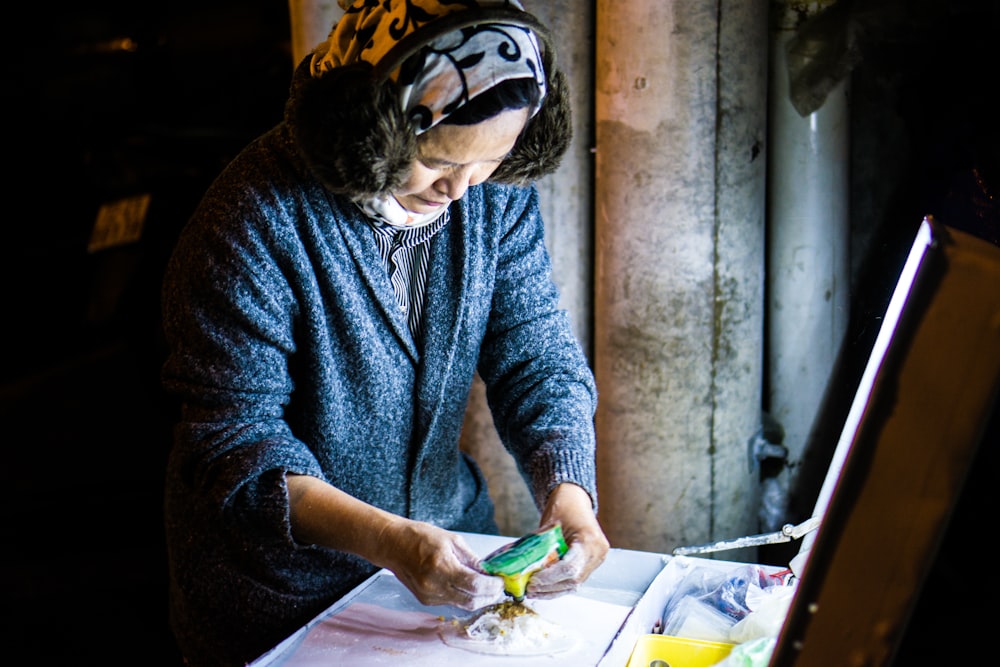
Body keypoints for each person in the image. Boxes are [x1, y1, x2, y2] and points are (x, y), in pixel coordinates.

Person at [159, 1, 609, 665]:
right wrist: (389, 541)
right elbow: (235, 442)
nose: (461, 190)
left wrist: (568, 486)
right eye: (437, 160)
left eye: (489, 160)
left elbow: (536, 357)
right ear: (370, 133)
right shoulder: (250, 219)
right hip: (280, 594)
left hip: (447, 558)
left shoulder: (493, 191)